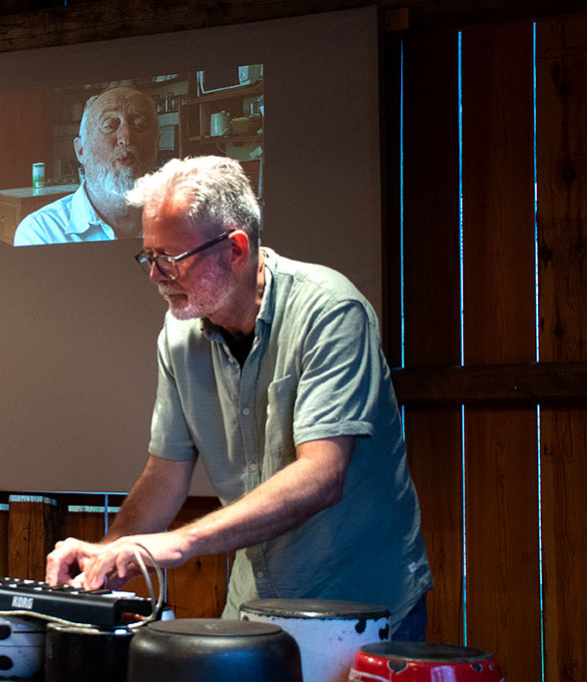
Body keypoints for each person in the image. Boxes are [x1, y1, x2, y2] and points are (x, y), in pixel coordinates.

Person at [45, 156, 432, 639]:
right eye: (148, 256)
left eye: (170, 257)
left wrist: (179, 543)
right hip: (256, 603)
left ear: (235, 249)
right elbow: (165, 474)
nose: (156, 275)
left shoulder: (332, 311)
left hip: (362, 609)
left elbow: (321, 476)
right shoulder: (179, 333)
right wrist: (110, 556)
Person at [12, 86, 159, 246]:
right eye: (110, 125)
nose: (126, 137)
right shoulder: (44, 233)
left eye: (139, 124)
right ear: (81, 150)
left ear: (156, 145)